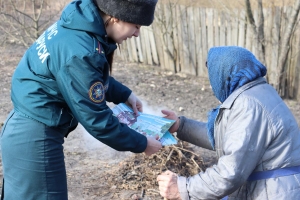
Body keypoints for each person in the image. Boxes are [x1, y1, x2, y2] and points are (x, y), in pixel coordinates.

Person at [0, 0, 161, 199]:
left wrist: (124, 94)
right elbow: (98, 121)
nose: (137, 33)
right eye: (136, 26)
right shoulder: (82, 51)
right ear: (116, 16)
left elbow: (81, 77)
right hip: (35, 140)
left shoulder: (77, 27)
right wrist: (142, 143)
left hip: (21, 130)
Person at [157, 46, 300, 200]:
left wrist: (183, 189)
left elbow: (231, 173)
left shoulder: (248, 105)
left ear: (223, 76)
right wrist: (180, 126)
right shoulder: (258, 92)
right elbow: (230, 140)